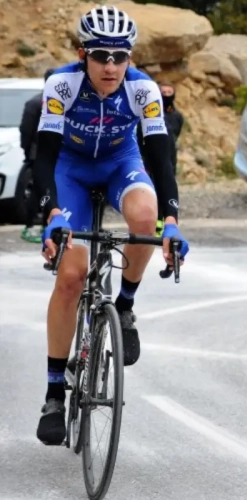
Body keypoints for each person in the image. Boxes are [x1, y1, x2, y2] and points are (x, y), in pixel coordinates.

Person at [33, 5, 190, 445]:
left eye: (120, 56)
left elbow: (161, 157)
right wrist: (52, 215)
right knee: (71, 276)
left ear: (130, 58)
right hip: (71, 169)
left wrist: (172, 220)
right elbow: (43, 155)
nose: (111, 65)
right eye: (101, 55)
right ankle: (53, 394)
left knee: (144, 216)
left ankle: (124, 306)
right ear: (84, 54)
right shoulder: (62, 84)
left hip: (121, 163)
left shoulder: (144, 91)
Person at [137, 80, 184, 235]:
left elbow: (176, 136)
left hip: (169, 157)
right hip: (149, 157)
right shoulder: (147, 115)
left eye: (169, 93)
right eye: (163, 93)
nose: (166, 97)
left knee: (165, 187)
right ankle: (152, 222)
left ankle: (164, 223)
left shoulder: (176, 116)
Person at [18, 68, 57, 244]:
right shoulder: (42, 103)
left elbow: (25, 130)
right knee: (47, 190)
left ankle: (34, 226)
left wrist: (27, 151)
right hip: (51, 153)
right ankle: (38, 225)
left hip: (38, 153)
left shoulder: (35, 102)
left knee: (38, 190)